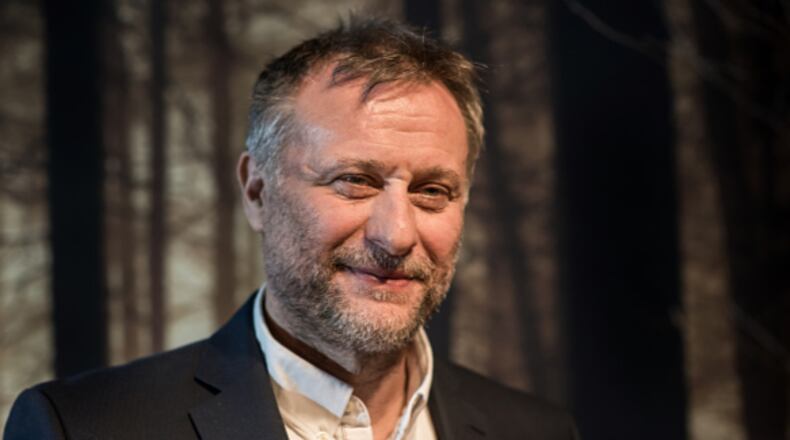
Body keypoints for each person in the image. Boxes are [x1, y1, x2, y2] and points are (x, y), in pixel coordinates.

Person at [4, 17, 577, 440]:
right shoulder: (83, 429)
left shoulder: (536, 431)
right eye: (355, 180)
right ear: (257, 191)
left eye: (433, 191)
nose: (397, 234)